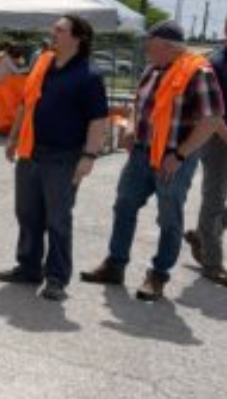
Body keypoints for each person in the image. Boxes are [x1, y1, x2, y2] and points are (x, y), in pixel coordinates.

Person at [81, 20, 223, 301]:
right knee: (124, 205)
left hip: (173, 160)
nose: (145, 47)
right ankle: (115, 265)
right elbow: (141, 106)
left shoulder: (198, 72)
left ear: (169, 46)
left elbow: (212, 120)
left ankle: (158, 275)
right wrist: (133, 127)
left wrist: (181, 154)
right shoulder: (152, 69)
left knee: (169, 217)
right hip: (141, 155)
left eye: (151, 42)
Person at [0, 15, 108, 301]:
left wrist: (89, 156)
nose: (53, 33)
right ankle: (28, 267)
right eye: (54, 29)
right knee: (27, 213)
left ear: (78, 38)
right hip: (30, 150)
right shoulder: (43, 63)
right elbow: (25, 101)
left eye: (60, 30)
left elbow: (98, 121)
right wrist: (13, 137)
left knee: (58, 219)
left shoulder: (90, 76)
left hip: (64, 157)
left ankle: (56, 278)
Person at [183, 19, 227, 286]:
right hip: (217, 137)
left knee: (214, 199)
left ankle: (202, 235)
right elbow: (213, 110)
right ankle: (212, 262)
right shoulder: (216, 62)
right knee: (214, 197)